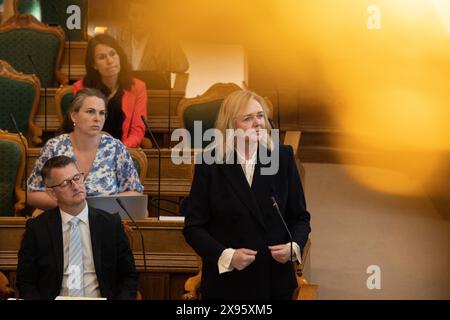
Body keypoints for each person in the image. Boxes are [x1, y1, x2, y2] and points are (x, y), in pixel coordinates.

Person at [183, 90, 311, 300]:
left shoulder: (282, 157)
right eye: (248, 118)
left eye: (260, 116)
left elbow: (300, 218)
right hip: (227, 282)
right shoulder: (210, 163)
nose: (258, 123)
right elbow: (193, 227)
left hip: (273, 279)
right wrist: (227, 256)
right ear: (231, 125)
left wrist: (294, 247)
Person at [17, 155, 138, 299]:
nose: (75, 186)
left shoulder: (110, 224)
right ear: (52, 193)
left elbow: (128, 277)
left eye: (77, 178)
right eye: (65, 183)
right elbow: (25, 281)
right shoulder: (37, 228)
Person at [27, 88, 144, 210]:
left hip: (103, 223)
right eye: (90, 111)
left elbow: (135, 193)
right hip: (62, 222)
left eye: (102, 113)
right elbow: (33, 194)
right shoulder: (54, 147)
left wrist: (97, 208)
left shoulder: (116, 148)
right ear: (74, 116)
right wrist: (72, 206)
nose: (97, 118)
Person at [74, 33, 148, 148]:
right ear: (94, 64)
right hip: (91, 151)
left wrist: (119, 150)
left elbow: (137, 130)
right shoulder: (81, 89)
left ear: (119, 56)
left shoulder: (138, 87)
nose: (110, 61)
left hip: (124, 151)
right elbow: (81, 129)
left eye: (113, 54)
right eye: (102, 57)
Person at [109, 0, 189, 73]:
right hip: (122, 87)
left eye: (144, 15)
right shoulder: (117, 36)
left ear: (152, 17)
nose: (139, 21)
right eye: (134, 15)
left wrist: (169, 39)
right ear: (128, 16)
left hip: (151, 87)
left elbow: (181, 66)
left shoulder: (163, 39)